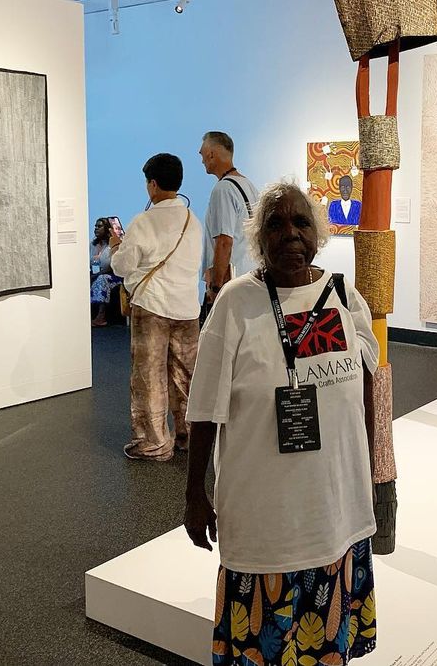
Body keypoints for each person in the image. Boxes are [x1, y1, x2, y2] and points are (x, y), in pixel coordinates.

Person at [184, 181, 380, 663]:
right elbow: (204, 408)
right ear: (258, 238)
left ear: (318, 233)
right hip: (264, 519)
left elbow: (366, 386)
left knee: (324, 647)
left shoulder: (343, 295)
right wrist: (194, 493)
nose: (291, 233)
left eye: (301, 222)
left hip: (333, 512)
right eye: (276, 223)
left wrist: (370, 472)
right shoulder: (236, 303)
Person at [110, 154, 203, 461]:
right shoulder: (192, 221)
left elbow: (122, 266)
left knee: (149, 377)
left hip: (152, 307)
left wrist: (115, 246)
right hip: (187, 309)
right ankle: (189, 436)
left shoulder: (144, 221)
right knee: (185, 376)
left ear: (152, 184)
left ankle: (154, 443)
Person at [199, 131, 259, 314]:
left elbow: (224, 241)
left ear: (211, 154)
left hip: (231, 286)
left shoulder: (223, 189)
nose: (201, 159)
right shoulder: (249, 186)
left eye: (202, 153)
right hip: (251, 280)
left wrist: (216, 287)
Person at [90, 218, 118, 327]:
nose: (96, 228)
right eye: (95, 226)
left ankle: (101, 316)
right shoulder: (92, 245)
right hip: (95, 273)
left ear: (106, 229)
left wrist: (97, 274)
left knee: (102, 279)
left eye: (99, 226)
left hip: (113, 275)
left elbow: (111, 265)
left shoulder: (113, 244)